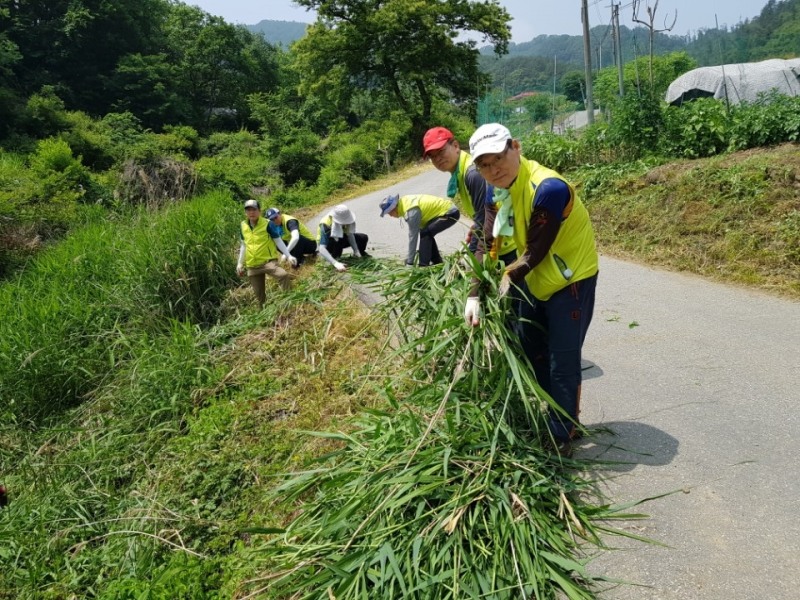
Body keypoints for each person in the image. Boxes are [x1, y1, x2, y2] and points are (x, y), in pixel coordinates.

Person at [466, 123, 599, 453]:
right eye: (484, 165)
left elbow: (532, 253)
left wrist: (499, 283)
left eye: (498, 158)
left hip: (571, 278)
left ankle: (561, 435)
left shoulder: (548, 188)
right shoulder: (497, 190)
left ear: (516, 147)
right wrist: (473, 292)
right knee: (529, 345)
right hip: (536, 279)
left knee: (561, 359)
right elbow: (488, 239)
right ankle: (558, 414)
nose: (493, 170)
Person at [422, 126, 516, 262]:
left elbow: (484, 219)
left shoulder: (471, 173)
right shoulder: (460, 173)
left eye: (441, 151)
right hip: (496, 243)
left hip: (506, 246)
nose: (438, 159)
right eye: (432, 156)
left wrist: (472, 256)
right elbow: (481, 214)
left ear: (455, 146)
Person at [237, 199, 295, 307]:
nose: (251, 212)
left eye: (254, 210)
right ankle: (263, 311)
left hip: (268, 262)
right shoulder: (243, 225)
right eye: (248, 210)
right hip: (252, 265)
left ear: (259, 211)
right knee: (259, 297)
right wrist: (240, 263)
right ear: (245, 212)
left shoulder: (268, 224)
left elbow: (278, 241)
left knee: (283, 275)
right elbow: (243, 245)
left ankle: (290, 302)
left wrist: (288, 255)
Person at [378, 194, 460, 266]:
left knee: (426, 233)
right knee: (426, 233)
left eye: (389, 213)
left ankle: (423, 266)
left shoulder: (410, 211)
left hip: (450, 213)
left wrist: (410, 262)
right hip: (445, 210)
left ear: (393, 208)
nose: (390, 216)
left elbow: (413, 237)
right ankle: (437, 262)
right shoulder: (404, 203)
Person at [317, 204, 369, 272]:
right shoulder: (326, 224)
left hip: (341, 238)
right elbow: (321, 248)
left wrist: (356, 250)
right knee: (339, 240)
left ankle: (358, 255)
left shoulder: (347, 220)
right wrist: (335, 263)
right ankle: (335, 260)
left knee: (363, 237)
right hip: (329, 245)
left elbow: (350, 234)